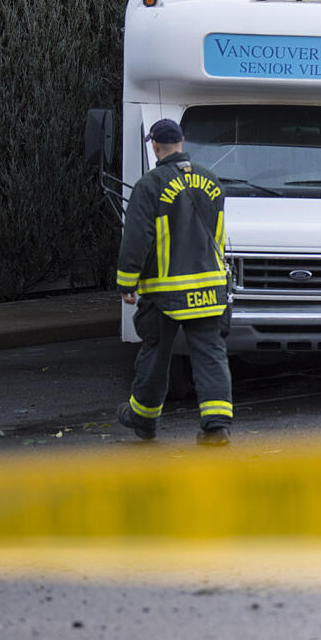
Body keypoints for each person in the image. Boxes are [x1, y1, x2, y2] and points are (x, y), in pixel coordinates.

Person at [115, 118, 233, 446]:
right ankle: (217, 426)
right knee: (210, 353)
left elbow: (137, 237)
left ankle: (144, 420)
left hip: (164, 293)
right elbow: (219, 236)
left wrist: (127, 282)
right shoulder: (212, 181)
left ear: (154, 146)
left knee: (155, 354)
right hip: (210, 289)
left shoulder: (150, 185)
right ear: (183, 141)